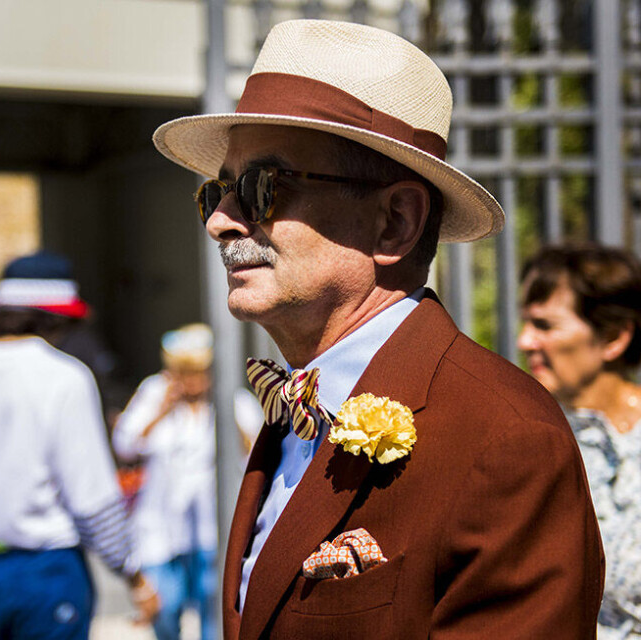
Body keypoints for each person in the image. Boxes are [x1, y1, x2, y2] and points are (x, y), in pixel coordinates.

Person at [152, 19, 603, 639]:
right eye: (218, 192)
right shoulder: (294, 409)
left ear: (395, 221)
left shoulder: (505, 436)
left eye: (263, 187)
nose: (222, 222)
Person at [0, 251, 159, 640]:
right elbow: (91, 498)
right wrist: (132, 574)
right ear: (55, 318)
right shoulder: (63, 376)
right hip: (49, 569)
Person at [518, 243, 641, 638]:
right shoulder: (523, 439)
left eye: (544, 326)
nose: (524, 341)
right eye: (526, 324)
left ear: (612, 338)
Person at [113, 323, 261, 640]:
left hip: (211, 531)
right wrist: (161, 410)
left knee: (213, 610)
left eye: (199, 372)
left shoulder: (233, 399)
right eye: (184, 372)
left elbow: (255, 457)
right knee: (165, 608)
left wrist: (227, 416)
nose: (192, 381)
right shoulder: (154, 392)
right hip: (160, 528)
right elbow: (125, 444)